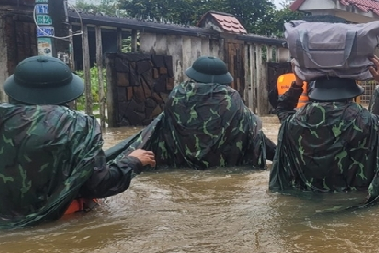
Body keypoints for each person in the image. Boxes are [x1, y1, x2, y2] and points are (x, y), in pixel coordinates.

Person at [0, 56, 155, 228]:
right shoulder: (78, 125)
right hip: (57, 225)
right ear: (66, 91)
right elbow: (98, 185)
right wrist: (133, 161)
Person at [269, 56, 379, 207]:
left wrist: (298, 82)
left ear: (315, 90)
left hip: (305, 202)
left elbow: (283, 108)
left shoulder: (293, 122)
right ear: (353, 91)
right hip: (357, 205)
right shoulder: (372, 123)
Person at [107, 56, 275, 169]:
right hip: (224, 167)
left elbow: (158, 129)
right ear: (223, 79)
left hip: (179, 165)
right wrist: (281, 155)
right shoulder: (232, 99)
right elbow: (252, 132)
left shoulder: (177, 95)